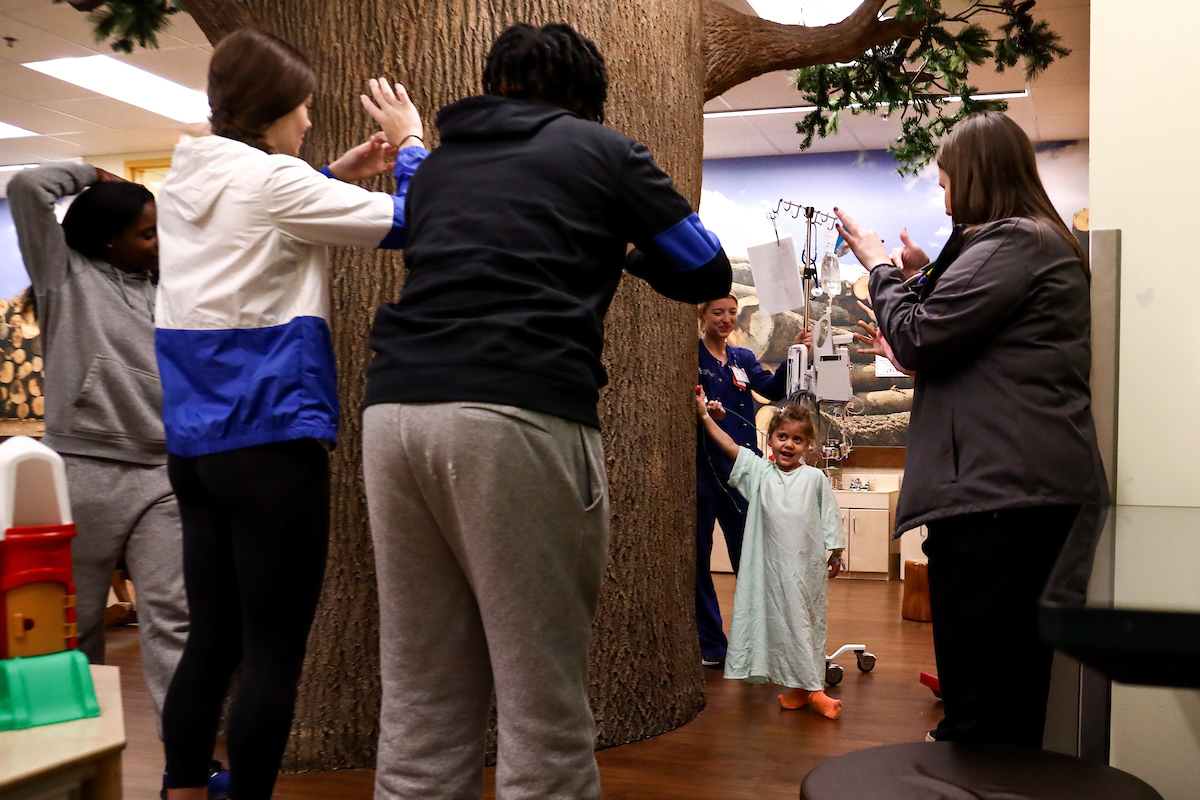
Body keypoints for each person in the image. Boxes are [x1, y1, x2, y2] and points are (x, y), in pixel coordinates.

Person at [361, 22, 731, 800]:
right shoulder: (603, 152)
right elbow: (705, 271)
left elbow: (415, 217)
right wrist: (622, 246)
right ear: (587, 98)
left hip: (394, 418)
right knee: (541, 702)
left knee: (422, 693)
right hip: (516, 416)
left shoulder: (437, 169)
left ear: (496, 85)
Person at [153, 29, 428, 800]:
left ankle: (180, 786)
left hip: (195, 447)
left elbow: (259, 210)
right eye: (305, 108)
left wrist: (335, 174)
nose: (310, 122)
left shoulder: (182, 183)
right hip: (272, 439)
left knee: (212, 636)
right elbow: (417, 221)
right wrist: (408, 146)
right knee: (275, 649)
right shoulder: (277, 183)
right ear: (275, 110)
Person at [834, 110, 1108, 748]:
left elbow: (919, 336)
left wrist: (880, 266)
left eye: (947, 177)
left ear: (977, 175)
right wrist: (926, 272)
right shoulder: (1029, 242)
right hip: (1011, 492)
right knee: (997, 686)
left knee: (986, 697)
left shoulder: (1016, 241)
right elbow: (955, 333)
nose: (941, 189)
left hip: (1001, 499)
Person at [8, 163, 189, 728]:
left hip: (162, 473)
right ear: (108, 237)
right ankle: (79, 742)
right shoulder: (64, 276)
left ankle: (186, 759)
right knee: (78, 620)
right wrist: (91, 174)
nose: (160, 243)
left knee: (173, 615)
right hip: (84, 472)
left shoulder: (173, 287)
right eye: (146, 232)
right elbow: (25, 189)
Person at [695, 393, 845, 718]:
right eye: (782, 437)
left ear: (807, 445)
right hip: (771, 572)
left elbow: (830, 516)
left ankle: (814, 687)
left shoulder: (814, 479)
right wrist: (706, 418)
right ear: (771, 439)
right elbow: (731, 447)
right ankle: (801, 687)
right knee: (779, 625)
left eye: (797, 440)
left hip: (804, 571)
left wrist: (835, 553)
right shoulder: (760, 473)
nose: (788, 445)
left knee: (803, 624)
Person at [695, 294, 809, 667]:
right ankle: (711, 645)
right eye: (718, 313)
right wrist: (703, 408)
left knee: (751, 558)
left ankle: (761, 640)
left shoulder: (742, 358)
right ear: (702, 315)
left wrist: (793, 354)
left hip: (745, 472)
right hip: (702, 470)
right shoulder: (692, 356)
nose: (726, 319)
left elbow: (773, 390)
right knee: (698, 561)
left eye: (732, 313)